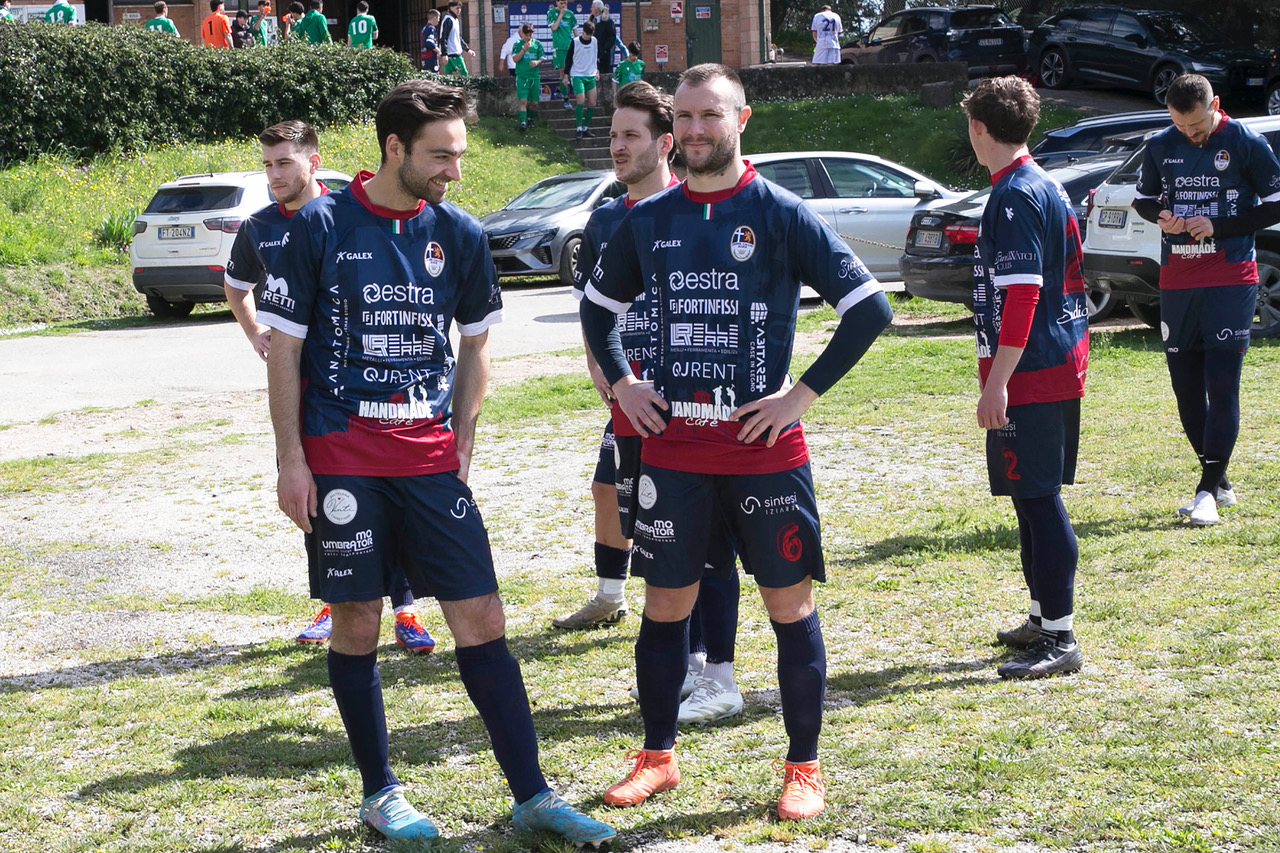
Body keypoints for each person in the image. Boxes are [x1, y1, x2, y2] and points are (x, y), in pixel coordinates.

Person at [259, 78, 615, 848]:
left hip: (428, 461)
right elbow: (283, 350)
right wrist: (291, 459)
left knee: (482, 616)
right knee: (358, 620)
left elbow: (477, 343)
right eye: (440, 155)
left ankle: (533, 795)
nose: (455, 170)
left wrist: (464, 438)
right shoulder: (318, 225)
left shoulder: (457, 232)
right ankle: (380, 792)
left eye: (459, 154)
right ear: (394, 148)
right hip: (340, 456)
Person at [581, 63, 892, 820]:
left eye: (708, 117)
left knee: (789, 608)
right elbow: (597, 308)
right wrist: (622, 381)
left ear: (741, 120)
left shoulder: (780, 212)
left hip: (765, 455)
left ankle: (804, 766)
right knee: (665, 609)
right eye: (683, 118)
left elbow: (869, 308)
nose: (693, 131)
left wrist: (800, 395)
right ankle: (657, 756)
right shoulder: (647, 219)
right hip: (676, 453)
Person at [560, 80, 746, 726]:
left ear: (665, 144)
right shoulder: (607, 219)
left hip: (696, 404)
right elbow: (594, 317)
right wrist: (609, 381)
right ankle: (685, 662)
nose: (617, 146)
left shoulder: (702, 207)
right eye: (612, 135)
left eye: (630, 135)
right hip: (630, 405)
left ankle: (712, 671)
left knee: (709, 540)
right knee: (659, 541)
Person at [222, 120, 440, 655]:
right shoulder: (260, 227)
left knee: (392, 501)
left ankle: (405, 609)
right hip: (304, 392)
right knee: (317, 499)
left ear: (312, 161)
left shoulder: (344, 216)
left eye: (284, 163)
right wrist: (257, 334)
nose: (274, 175)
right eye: (267, 164)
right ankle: (331, 602)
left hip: (369, 389)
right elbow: (235, 284)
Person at [964, 76, 1089, 679]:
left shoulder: (1014, 194)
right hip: (1054, 362)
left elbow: (1022, 296)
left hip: (1032, 371)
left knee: (1039, 502)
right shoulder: (1043, 184)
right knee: (1029, 500)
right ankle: (1042, 617)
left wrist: (998, 382)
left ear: (978, 127)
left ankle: (1061, 638)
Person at [1132, 73, 1280, 526]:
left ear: (1215, 103)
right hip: (1178, 278)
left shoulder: (1246, 142)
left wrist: (1219, 226)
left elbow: (1275, 203)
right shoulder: (1160, 144)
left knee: (1221, 382)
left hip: (1230, 276)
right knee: (1185, 389)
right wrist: (1162, 215)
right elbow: (1142, 199)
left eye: (1196, 125)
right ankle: (1220, 482)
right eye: (1182, 126)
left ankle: (1205, 491)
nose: (1190, 133)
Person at [564, 20, 599, 140]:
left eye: (590, 34)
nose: (588, 36)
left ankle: (586, 127)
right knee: (580, 100)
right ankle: (578, 127)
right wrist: (565, 75)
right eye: (586, 34)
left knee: (592, 102)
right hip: (577, 74)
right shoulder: (575, 42)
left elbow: (595, 56)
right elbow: (568, 59)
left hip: (590, 74)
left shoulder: (594, 41)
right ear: (583, 31)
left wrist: (596, 70)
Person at [512, 23, 544, 132]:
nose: (529, 38)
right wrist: (523, 50)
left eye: (531, 35)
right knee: (523, 101)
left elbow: (542, 57)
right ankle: (522, 122)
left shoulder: (537, 44)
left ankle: (530, 118)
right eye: (527, 35)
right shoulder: (517, 44)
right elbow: (515, 59)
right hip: (522, 76)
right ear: (523, 35)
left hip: (534, 77)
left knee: (534, 102)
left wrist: (537, 62)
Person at [546, 0, 577, 109]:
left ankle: (560, 89)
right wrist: (561, 14)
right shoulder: (551, 13)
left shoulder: (571, 14)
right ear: (557, 2)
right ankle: (566, 99)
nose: (563, 5)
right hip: (559, 47)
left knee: (569, 72)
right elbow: (554, 28)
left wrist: (578, 44)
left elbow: (575, 30)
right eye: (561, 3)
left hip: (569, 46)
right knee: (563, 72)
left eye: (565, 3)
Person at [439, 0, 474, 76]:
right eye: (457, 8)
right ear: (451, 8)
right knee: (464, 73)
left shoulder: (455, 20)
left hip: (451, 51)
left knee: (448, 74)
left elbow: (457, 37)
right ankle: (465, 87)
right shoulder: (448, 20)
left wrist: (467, 49)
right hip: (452, 52)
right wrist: (444, 53)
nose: (459, 10)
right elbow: (444, 37)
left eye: (460, 8)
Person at [591, 1, 616, 81]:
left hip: (604, 57)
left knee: (604, 77)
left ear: (597, 9)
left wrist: (604, 50)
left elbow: (612, 37)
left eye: (592, 6)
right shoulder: (591, 21)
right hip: (592, 55)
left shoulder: (608, 22)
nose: (591, 8)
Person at [419, 8, 439, 72]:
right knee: (434, 76)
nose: (438, 20)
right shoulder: (431, 28)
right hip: (431, 56)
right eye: (438, 18)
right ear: (435, 18)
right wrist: (437, 50)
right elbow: (429, 42)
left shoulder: (424, 28)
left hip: (424, 56)